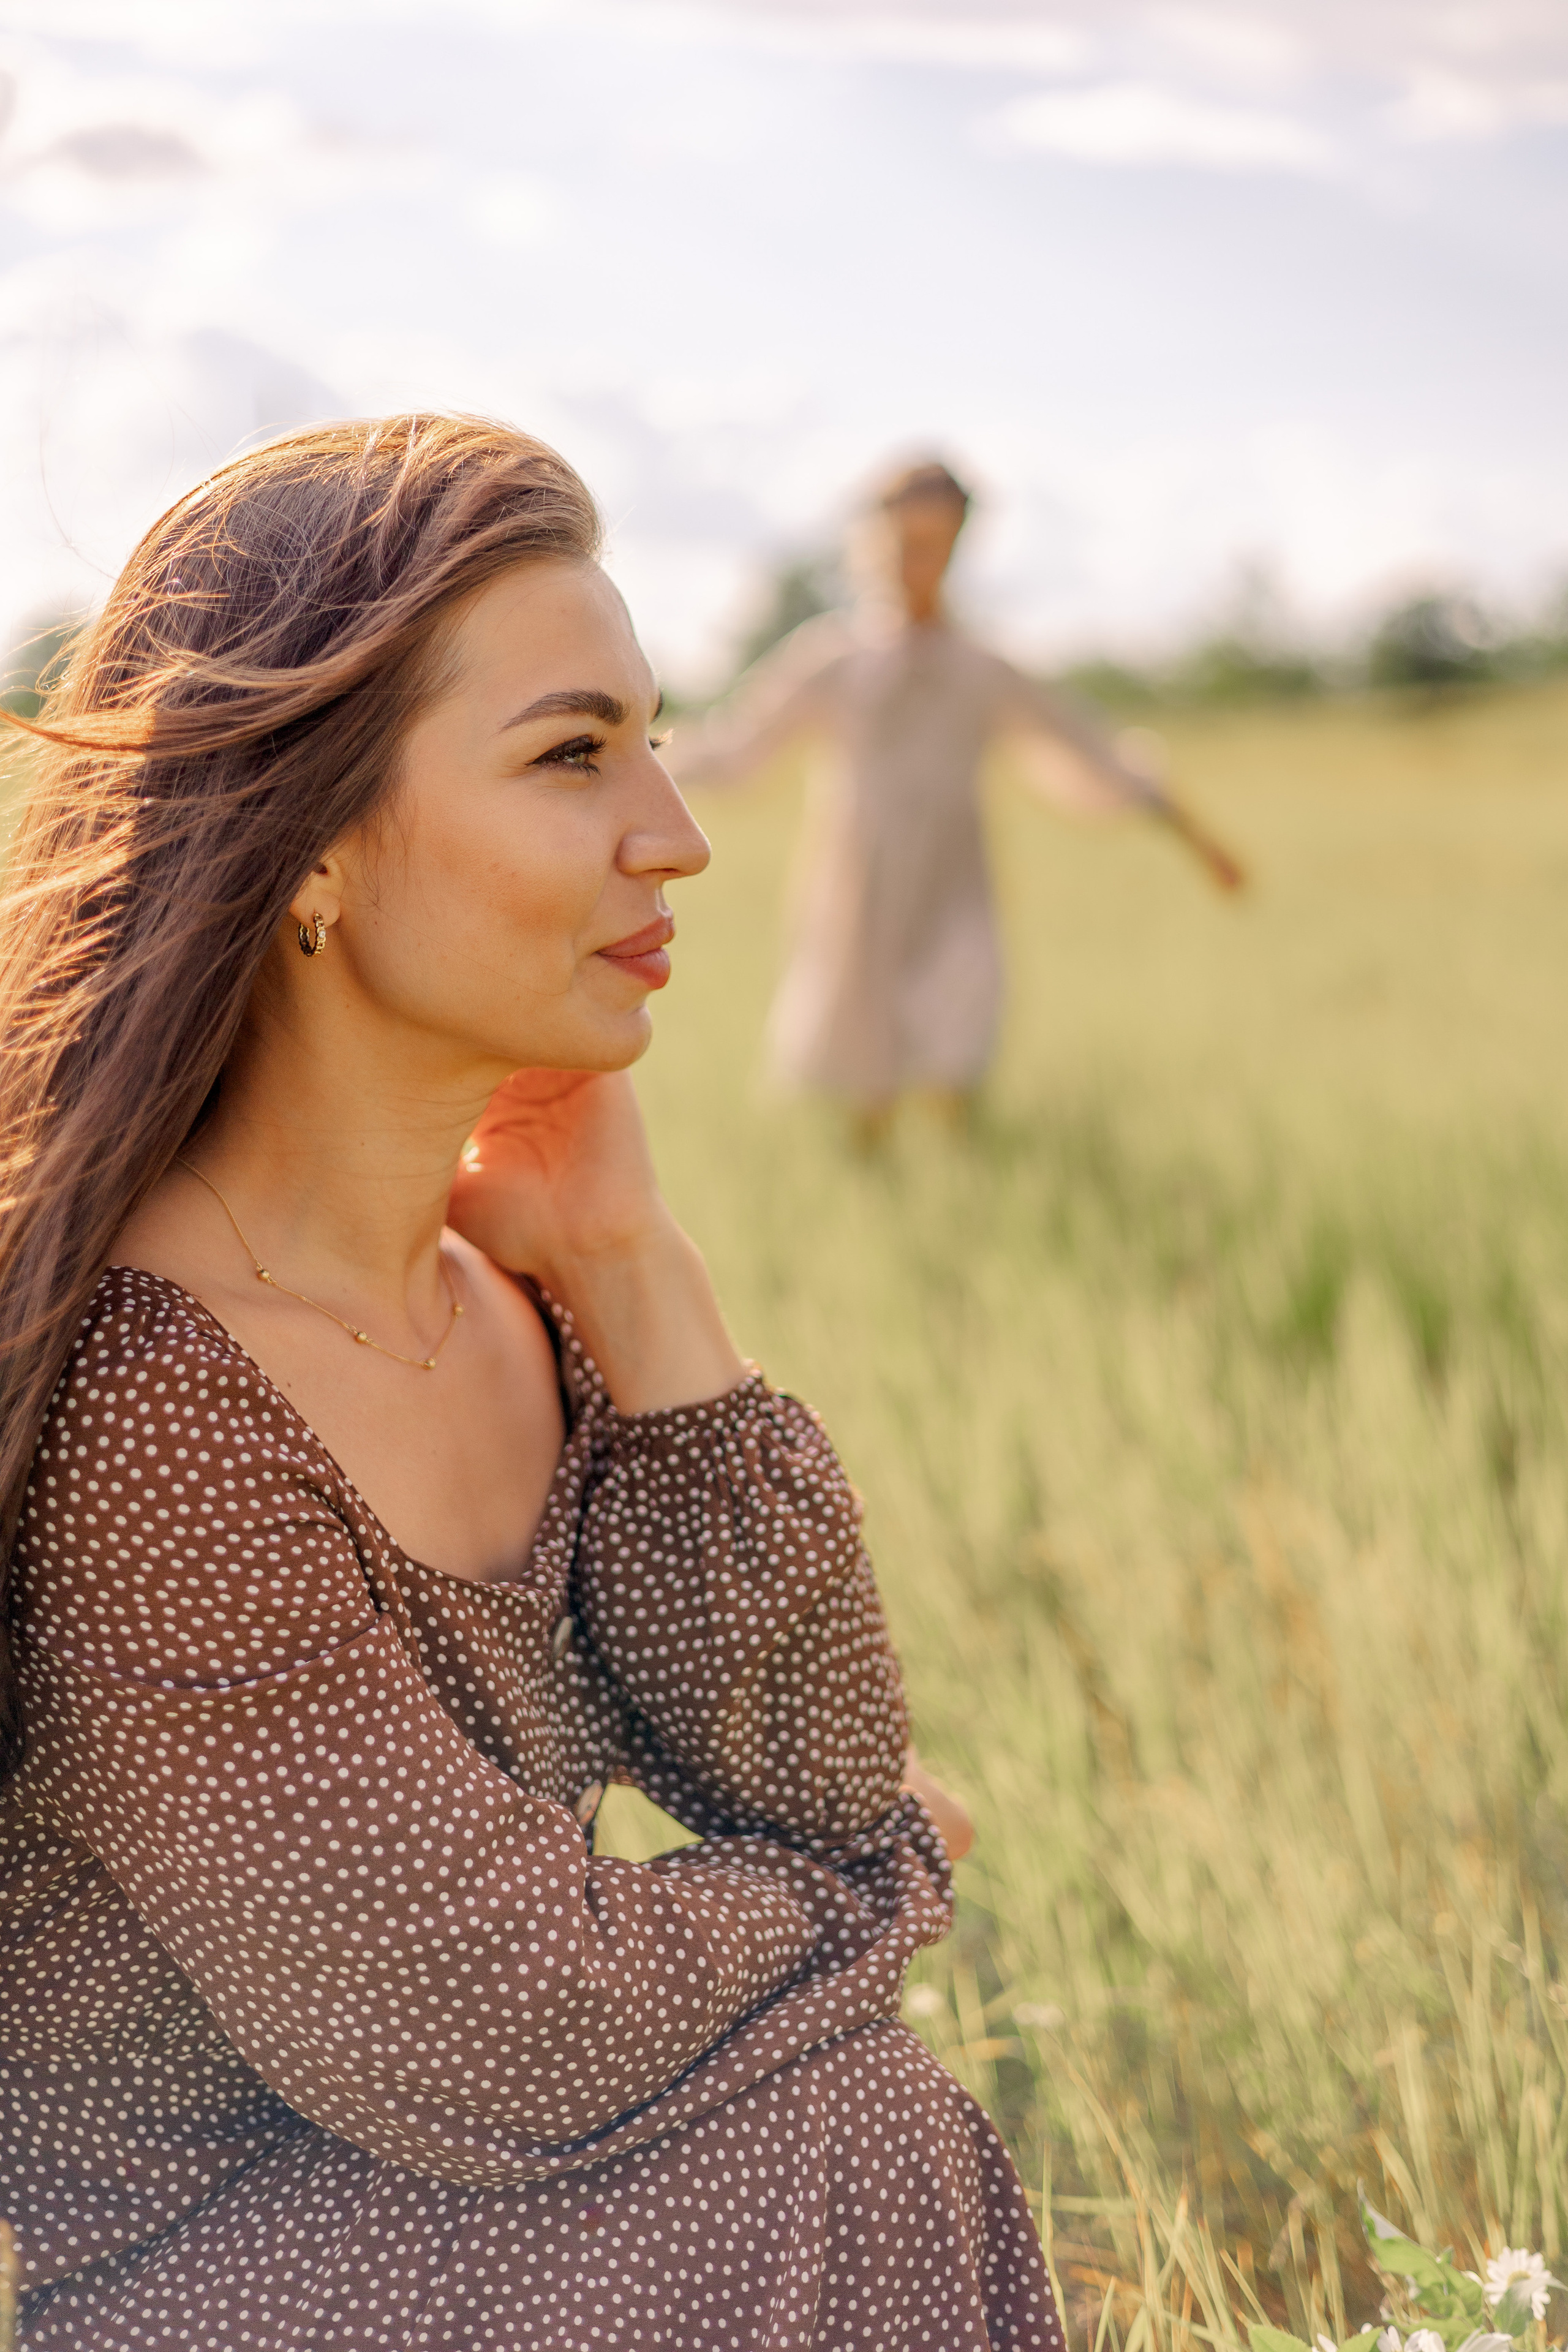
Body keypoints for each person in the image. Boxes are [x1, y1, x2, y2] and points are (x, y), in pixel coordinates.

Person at [0, 415, 1058, 2351]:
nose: (676, 831)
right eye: (574, 754)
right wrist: (880, 1876)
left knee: (855, 2125)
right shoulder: (159, 1412)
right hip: (184, 2272)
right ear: (314, 843)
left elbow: (809, 1772)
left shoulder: (507, 1296)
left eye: (653, 738)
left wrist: (636, 1271)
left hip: (460, 2197)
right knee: (845, 2131)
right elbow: (510, 2021)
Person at [671, 459, 1245, 1145]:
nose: (913, 561)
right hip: (862, 884)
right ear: (872, 541)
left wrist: (1195, 837)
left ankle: (963, 1170)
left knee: (959, 1045)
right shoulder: (833, 659)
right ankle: (876, 1179)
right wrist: (631, 760)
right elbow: (736, 748)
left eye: (933, 544)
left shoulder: (982, 668)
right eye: (901, 541)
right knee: (867, 1067)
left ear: (956, 548)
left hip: (955, 882)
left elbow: (1090, 752)